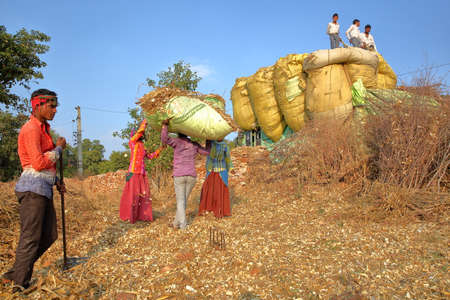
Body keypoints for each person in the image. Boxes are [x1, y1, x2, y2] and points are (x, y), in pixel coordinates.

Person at [2, 89, 66, 292]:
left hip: (42, 188)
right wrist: (58, 150)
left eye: (56, 106)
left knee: (49, 235)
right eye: (51, 106)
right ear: (37, 106)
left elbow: (45, 166)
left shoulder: (44, 129)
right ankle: (19, 284)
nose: (55, 110)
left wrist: (56, 180)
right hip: (32, 190)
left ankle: (15, 273)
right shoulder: (31, 129)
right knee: (30, 238)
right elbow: (37, 163)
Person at [161, 120, 210, 229]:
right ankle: (175, 223)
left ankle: (183, 225)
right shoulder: (194, 144)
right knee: (183, 202)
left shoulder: (176, 142)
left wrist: (165, 126)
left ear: (178, 133)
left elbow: (164, 140)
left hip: (179, 175)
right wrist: (208, 139)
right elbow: (207, 152)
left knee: (180, 201)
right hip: (191, 176)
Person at [119, 119, 163, 224]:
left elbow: (150, 156)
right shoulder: (132, 142)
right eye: (140, 134)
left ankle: (142, 216)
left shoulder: (143, 146)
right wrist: (145, 123)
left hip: (142, 174)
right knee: (133, 195)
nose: (142, 136)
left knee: (143, 195)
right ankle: (130, 216)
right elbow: (139, 132)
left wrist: (160, 149)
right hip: (133, 172)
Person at [198, 140, 233, 218]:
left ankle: (218, 211)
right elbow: (208, 155)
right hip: (211, 171)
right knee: (209, 190)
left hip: (220, 171)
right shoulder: (210, 143)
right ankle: (208, 209)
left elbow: (228, 158)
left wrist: (230, 168)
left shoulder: (224, 145)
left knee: (218, 191)